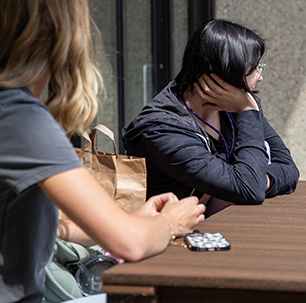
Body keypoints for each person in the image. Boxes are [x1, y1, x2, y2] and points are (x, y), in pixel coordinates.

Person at [0, 0, 205, 302]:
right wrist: (169, 224)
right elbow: (131, 244)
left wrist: (133, 220)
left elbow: (47, 229)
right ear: (62, 33)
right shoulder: (22, 119)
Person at [122, 19, 299, 206]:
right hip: (170, 232)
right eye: (253, 69)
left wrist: (259, 180)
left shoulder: (237, 107)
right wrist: (247, 110)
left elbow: (289, 169)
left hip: (221, 227)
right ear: (223, 74)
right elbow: (250, 189)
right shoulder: (162, 130)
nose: (260, 77)